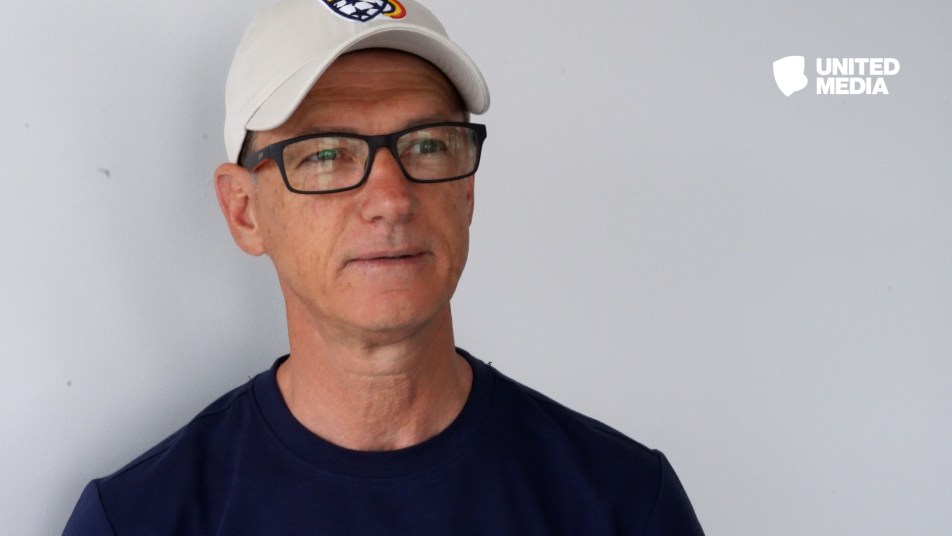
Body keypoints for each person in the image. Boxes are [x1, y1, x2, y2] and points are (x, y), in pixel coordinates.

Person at [64, 0, 704, 533]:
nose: (392, 199)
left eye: (427, 145)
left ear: (467, 192)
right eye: (325, 154)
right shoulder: (139, 520)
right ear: (244, 211)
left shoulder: (623, 505)